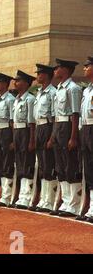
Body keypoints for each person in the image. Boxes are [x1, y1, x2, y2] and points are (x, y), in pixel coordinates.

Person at [49, 58, 83, 217]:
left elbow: (75, 114)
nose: (55, 71)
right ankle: (66, 201)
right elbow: (56, 115)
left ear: (66, 70)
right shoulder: (59, 89)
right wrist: (54, 134)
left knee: (70, 164)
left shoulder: (73, 88)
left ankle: (74, 205)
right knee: (61, 166)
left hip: (68, 127)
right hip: (59, 127)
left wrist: (73, 137)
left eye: (58, 68)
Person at [32, 64, 57, 212]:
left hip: (48, 127)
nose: (38, 75)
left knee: (49, 163)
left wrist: (52, 137)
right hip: (39, 127)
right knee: (41, 164)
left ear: (47, 75)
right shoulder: (39, 92)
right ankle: (44, 198)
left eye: (40, 73)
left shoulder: (52, 92)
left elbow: (54, 116)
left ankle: (50, 200)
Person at [12, 70, 37, 209]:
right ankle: (21, 195)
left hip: (26, 131)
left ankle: (27, 197)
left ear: (27, 83)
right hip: (17, 131)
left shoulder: (30, 99)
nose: (16, 83)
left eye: (19, 80)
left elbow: (32, 123)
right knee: (20, 162)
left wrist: (32, 140)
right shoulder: (17, 99)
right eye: (15, 80)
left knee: (27, 161)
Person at [0, 72, 16, 207]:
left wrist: (12, 139)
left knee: (7, 162)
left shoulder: (10, 100)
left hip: (6, 131)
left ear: (5, 84)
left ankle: (7, 195)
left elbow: (12, 121)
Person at [81, 56, 93, 223]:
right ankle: (91, 207)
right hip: (86, 129)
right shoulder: (87, 90)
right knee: (89, 168)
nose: (84, 68)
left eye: (87, 66)